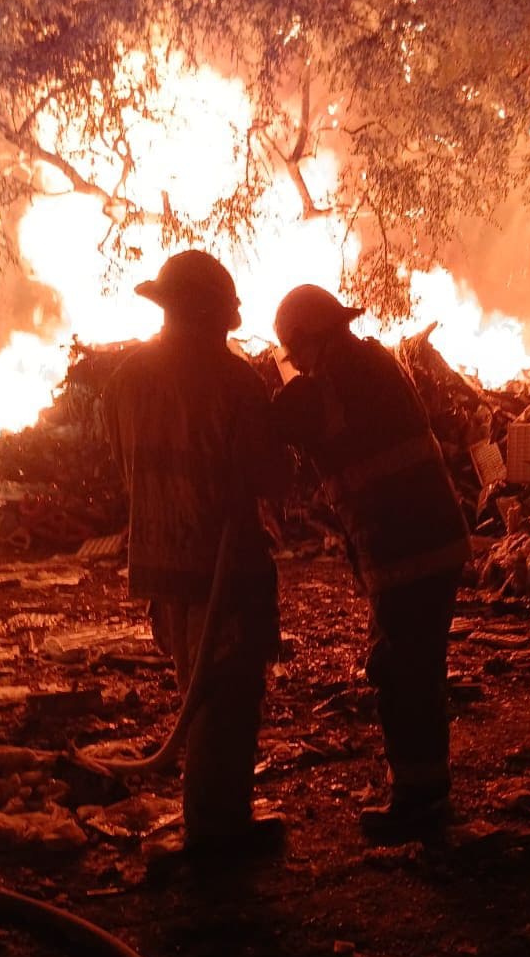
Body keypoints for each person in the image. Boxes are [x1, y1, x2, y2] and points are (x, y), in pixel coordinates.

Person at [102, 249, 289, 859]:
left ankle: (215, 815)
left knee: (196, 684)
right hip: (223, 565)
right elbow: (267, 474)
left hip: (159, 563)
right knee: (229, 694)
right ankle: (216, 830)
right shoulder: (235, 382)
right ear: (214, 314)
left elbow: (124, 464)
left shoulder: (126, 377)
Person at [272, 285, 472, 843]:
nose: (297, 365)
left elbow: (300, 434)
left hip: (406, 550)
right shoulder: (371, 361)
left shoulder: (335, 382)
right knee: (415, 670)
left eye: (294, 352)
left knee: (401, 672)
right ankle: (424, 794)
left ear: (309, 340)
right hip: (427, 544)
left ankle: (419, 802)